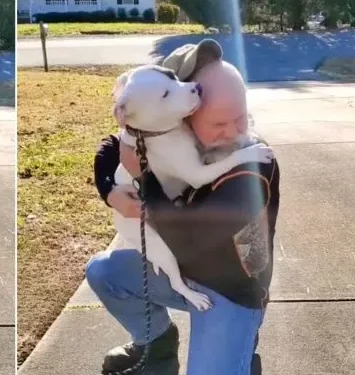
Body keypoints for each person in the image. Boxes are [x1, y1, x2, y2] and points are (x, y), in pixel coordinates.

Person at [86, 39, 280, 375]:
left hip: (233, 293)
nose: (233, 132)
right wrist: (109, 191)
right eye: (218, 124)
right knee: (104, 272)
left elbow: (191, 239)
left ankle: (241, 353)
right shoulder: (171, 130)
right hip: (185, 274)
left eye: (240, 117)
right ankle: (157, 344)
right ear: (182, 120)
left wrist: (143, 177)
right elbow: (112, 145)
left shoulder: (253, 166)